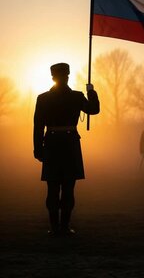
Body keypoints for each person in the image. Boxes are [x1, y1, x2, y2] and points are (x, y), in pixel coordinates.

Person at [33, 62, 100, 235]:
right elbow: (94, 109)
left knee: (53, 188)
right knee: (68, 188)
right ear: (66, 76)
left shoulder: (43, 98)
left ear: (52, 77)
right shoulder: (77, 97)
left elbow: (38, 127)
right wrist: (91, 92)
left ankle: (56, 227)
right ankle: (62, 227)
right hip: (70, 144)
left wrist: (38, 148)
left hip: (52, 145)